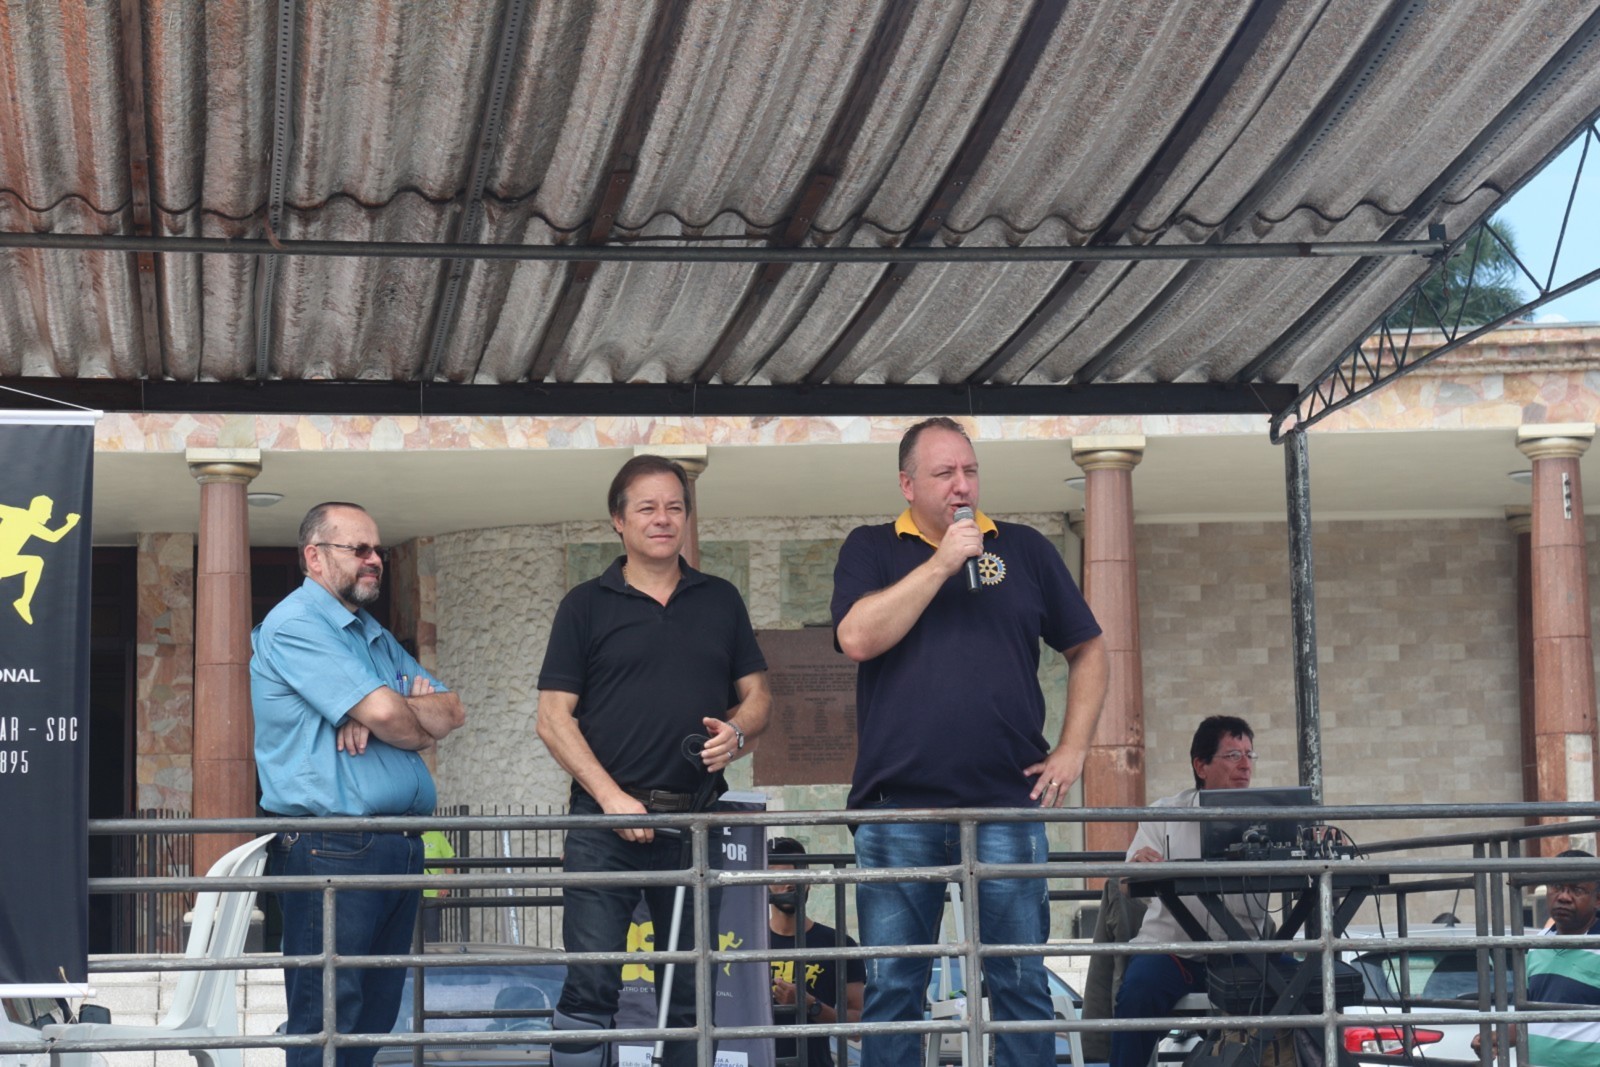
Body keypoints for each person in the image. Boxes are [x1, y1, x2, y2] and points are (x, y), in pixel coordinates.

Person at [831, 416, 1109, 1067]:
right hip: (899, 809)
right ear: (907, 484)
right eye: (944, 473)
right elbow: (857, 638)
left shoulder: (1024, 548)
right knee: (894, 989)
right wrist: (942, 562)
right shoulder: (872, 548)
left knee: (1020, 985)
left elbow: (1089, 648)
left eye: (970, 470)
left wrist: (1074, 748)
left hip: (1006, 802)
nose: (962, 484)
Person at [536, 454, 772, 1067]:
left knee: (692, 996)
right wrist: (611, 798)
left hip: (694, 823)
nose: (662, 518)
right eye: (647, 507)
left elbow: (759, 697)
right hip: (601, 825)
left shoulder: (721, 599)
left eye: (674, 507)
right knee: (590, 988)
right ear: (619, 520)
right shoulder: (585, 605)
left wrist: (738, 732)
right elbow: (553, 718)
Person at [252, 502, 467, 1067]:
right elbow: (399, 718)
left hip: (396, 844)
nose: (375, 560)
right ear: (315, 557)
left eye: (379, 550)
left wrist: (377, 712)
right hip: (333, 846)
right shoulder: (297, 623)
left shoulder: (371, 633)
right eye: (360, 549)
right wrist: (392, 713)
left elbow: (452, 711)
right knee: (326, 1022)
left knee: (372, 1020)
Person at [1110, 715, 1268, 1067]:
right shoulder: (1166, 813)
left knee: (1308, 985)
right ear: (1201, 765)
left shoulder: (1270, 816)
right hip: (1173, 952)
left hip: (1244, 956)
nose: (1245, 765)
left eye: (1250, 755)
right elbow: (1125, 883)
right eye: (1233, 755)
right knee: (1138, 992)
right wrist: (1138, 865)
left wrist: (1313, 842)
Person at [1472, 850, 1600, 1066]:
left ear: (1598, 899)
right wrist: (1497, 1038)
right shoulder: (1536, 945)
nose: (1564, 897)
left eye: (1577, 890)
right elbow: (1529, 1016)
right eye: (1556, 887)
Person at [766, 837, 864, 1067]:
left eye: (797, 875)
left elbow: (857, 1027)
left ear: (809, 881)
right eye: (779, 877)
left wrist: (810, 1005)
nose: (789, 884)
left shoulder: (838, 943)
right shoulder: (746, 945)